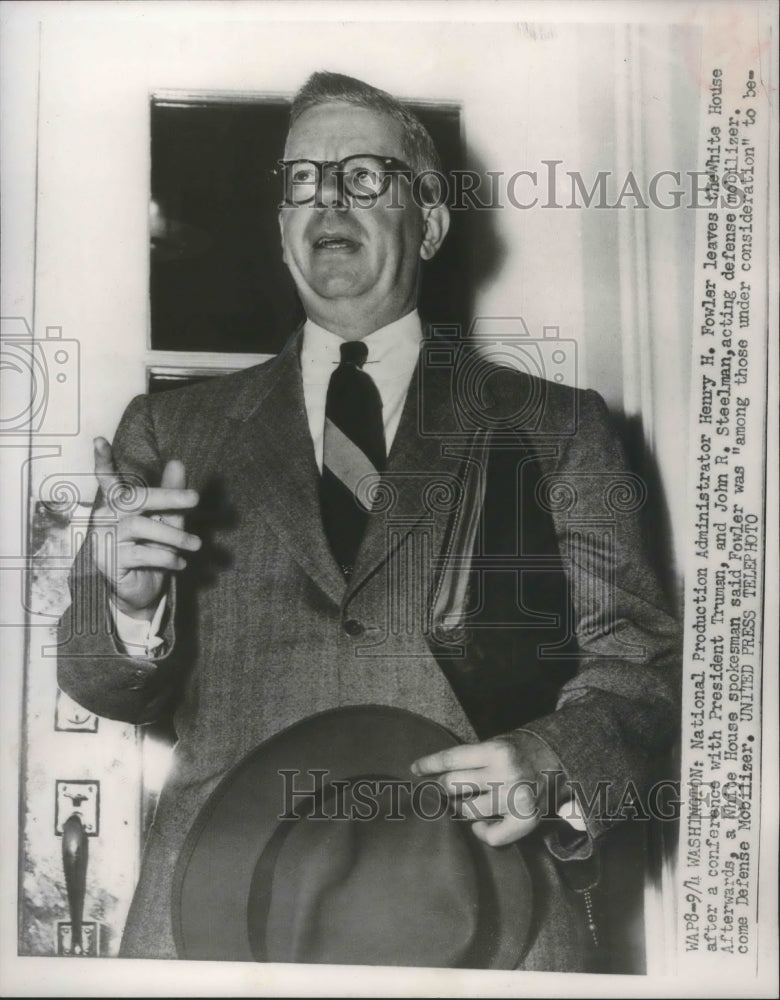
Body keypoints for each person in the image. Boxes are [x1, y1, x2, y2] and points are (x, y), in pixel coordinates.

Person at [58, 71, 681, 971]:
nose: (328, 199)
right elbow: (101, 682)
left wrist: (552, 759)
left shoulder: (556, 425)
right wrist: (126, 607)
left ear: (427, 220)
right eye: (303, 180)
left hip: (478, 914)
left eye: (362, 175)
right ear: (280, 230)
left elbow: (640, 668)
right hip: (224, 911)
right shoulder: (168, 431)